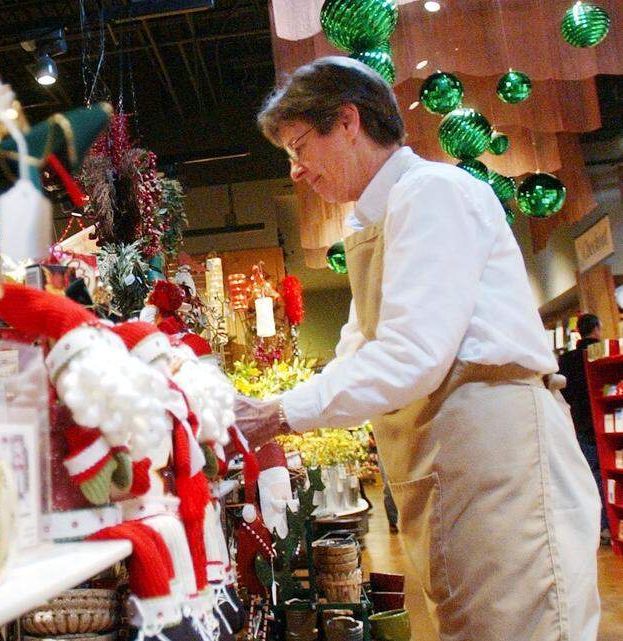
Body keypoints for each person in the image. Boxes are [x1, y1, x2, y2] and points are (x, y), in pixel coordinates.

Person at [234, 57, 601, 641]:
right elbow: (360, 351)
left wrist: (277, 414)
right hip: (450, 461)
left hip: (494, 453)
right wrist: (272, 411)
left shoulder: (432, 192)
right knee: (469, 621)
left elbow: (410, 356)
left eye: (300, 147)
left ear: (349, 121)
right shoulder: (371, 225)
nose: (298, 172)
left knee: (518, 623)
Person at [558, 313, 609, 541]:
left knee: (590, 475)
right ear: (596, 329)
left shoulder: (567, 359)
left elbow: (563, 391)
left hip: (580, 422)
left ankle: (599, 526)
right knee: (610, 471)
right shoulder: (602, 351)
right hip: (606, 420)